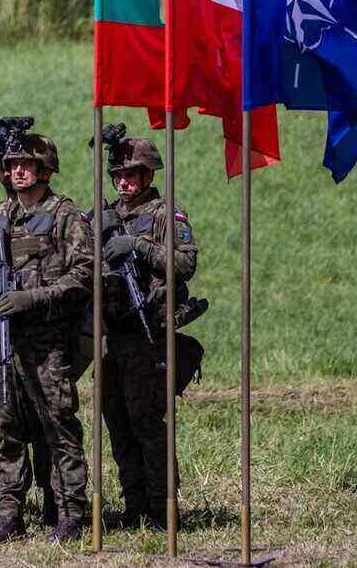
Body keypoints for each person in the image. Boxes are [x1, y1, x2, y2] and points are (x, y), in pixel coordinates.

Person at [0, 132, 93, 544]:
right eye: (12, 165)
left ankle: (71, 513)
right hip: (0, 343)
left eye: (26, 164)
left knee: (59, 428)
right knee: (5, 430)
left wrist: (33, 298)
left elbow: (84, 275)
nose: (17, 171)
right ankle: (9, 513)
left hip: (45, 342)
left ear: (44, 169)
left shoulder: (64, 215)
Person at [98, 134, 198, 530]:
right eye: (118, 175)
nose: (124, 183)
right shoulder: (104, 216)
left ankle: (162, 509)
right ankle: (134, 505)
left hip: (149, 333)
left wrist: (137, 245)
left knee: (148, 425)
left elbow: (185, 265)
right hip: (111, 335)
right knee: (117, 423)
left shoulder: (166, 214)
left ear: (147, 174)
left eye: (132, 175)